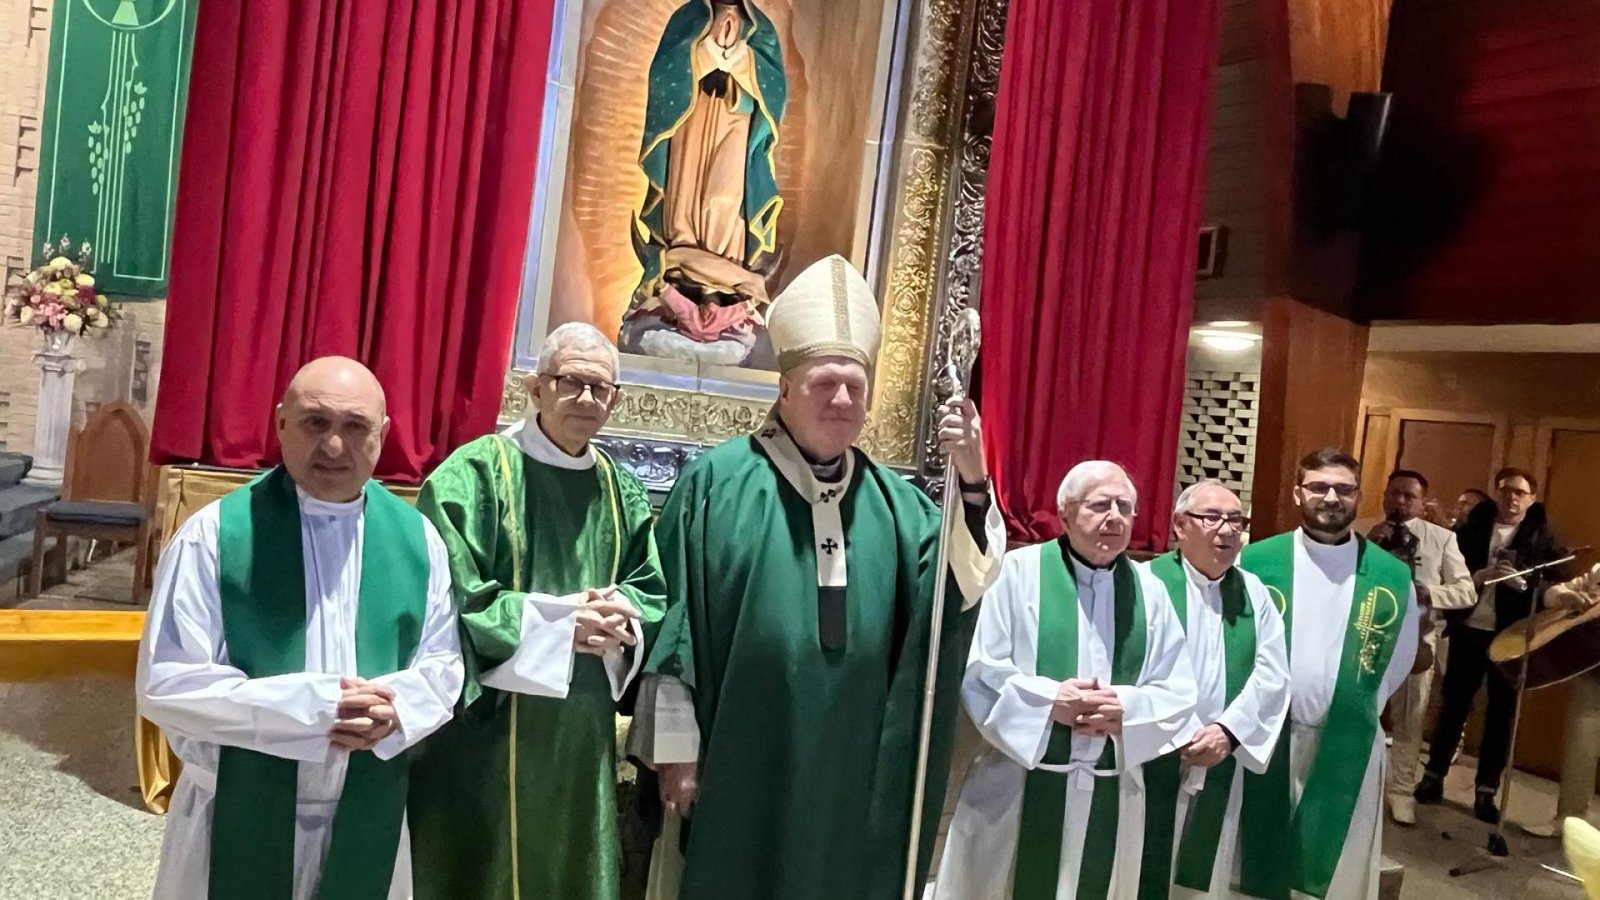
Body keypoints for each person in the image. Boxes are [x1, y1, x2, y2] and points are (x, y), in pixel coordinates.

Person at [627, 254, 1005, 900]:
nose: (842, 400)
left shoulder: (896, 503)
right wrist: (675, 747)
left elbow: (959, 587)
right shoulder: (718, 484)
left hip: (852, 766)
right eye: (825, 383)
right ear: (784, 388)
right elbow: (674, 618)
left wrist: (971, 478)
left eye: (856, 387)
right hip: (740, 752)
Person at [135, 357, 464, 900]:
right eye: (315, 422)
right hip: (233, 811)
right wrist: (317, 711)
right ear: (281, 423)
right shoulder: (214, 537)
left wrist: (394, 710)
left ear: (383, 436)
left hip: (366, 808)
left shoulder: (417, 540)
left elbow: (443, 663)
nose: (334, 446)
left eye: (355, 427)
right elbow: (168, 684)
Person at [407, 323, 667, 899]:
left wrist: (619, 615)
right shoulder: (475, 475)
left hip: (580, 725)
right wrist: (560, 623)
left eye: (601, 388)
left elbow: (650, 587)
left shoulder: (620, 490)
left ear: (617, 400)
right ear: (535, 386)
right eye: (571, 382)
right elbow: (449, 596)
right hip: (487, 726)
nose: (586, 399)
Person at [933, 461, 1198, 900]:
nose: (1114, 517)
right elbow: (980, 668)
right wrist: (1048, 700)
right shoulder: (1016, 573)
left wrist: (1125, 710)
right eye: (1099, 505)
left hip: (1111, 785)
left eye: (1125, 507)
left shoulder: (1150, 592)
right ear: (1066, 512)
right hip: (1020, 782)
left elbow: (1178, 689)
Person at [1236, 448, 1419, 900]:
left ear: (1359, 496)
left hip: (1347, 741)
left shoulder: (1390, 575)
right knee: (1253, 864)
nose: (1331, 497)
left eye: (1344, 488)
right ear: (1299, 493)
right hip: (1267, 738)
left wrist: (1347, 709)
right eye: (1319, 486)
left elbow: (1399, 657)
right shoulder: (1256, 562)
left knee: (1336, 872)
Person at [1148, 481, 1290, 899]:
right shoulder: (1145, 582)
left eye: (1236, 520)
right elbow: (1125, 666)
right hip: (1150, 753)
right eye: (1213, 517)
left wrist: (1227, 731)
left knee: (1202, 874)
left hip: (1219, 754)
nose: (1227, 530)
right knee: (1139, 861)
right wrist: (1181, 730)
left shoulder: (1253, 592)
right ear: (1179, 525)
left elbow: (1272, 673)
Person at [1416, 467, 1565, 824]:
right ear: (1497, 493)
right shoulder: (1469, 530)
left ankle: (1486, 791)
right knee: (1453, 704)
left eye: (1520, 493)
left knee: (1501, 714)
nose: (1512, 498)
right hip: (1469, 628)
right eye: (1506, 491)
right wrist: (1478, 578)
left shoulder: (1542, 537)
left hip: (1510, 637)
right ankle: (1433, 776)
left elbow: (1554, 584)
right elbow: (1449, 573)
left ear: (1531, 499)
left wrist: (1528, 586)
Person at [1365, 469, 1477, 826]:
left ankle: (1400, 792)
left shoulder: (1441, 538)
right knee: (1360, 714)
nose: (1400, 501)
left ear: (1421, 501)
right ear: (1384, 494)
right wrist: (1367, 546)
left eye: (1408, 496)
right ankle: (1357, 786)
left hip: (1417, 637)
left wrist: (1431, 593)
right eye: (1394, 493)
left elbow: (1466, 591)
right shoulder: (1363, 532)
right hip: (1367, 635)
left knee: (1410, 717)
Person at [1522, 562, 1600, 839]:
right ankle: (1569, 820)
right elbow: (1554, 592)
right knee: (1581, 748)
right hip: (1593, 673)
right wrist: (1563, 597)